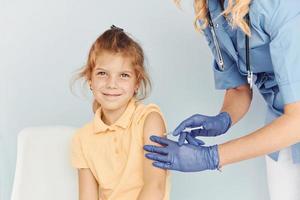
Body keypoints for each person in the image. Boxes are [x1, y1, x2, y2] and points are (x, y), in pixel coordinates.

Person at [143, 0, 300, 199]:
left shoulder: (279, 6)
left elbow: (297, 121)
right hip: (280, 128)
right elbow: (239, 87)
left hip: (292, 124)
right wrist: (224, 118)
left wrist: (212, 157)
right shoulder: (211, 8)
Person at [70, 25, 170, 200]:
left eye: (123, 75)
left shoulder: (149, 120)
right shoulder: (82, 139)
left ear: (137, 83)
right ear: (90, 79)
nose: (112, 84)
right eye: (102, 73)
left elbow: (155, 186)